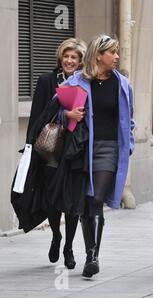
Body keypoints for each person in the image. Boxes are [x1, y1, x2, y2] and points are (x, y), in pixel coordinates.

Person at [60, 35, 135, 278]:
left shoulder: (122, 84)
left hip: (109, 148)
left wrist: (129, 144)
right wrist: (68, 115)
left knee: (96, 198)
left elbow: (129, 119)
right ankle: (89, 252)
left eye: (117, 52)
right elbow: (57, 109)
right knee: (85, 203)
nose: (117, 57)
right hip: (82, 149)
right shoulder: (78, 81)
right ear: (98, 55)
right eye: (112, 52)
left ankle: (92, 256)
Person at [26, 38, 87, 269]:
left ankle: (69, 247)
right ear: (60, 58)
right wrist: (30, 147)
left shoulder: (85, 83)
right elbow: (37, 115)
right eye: (66, 56)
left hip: (74, 150)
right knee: (52, 199)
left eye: (74, 57)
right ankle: (56, 236)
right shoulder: (46, 81)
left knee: (71, 200)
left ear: (80, 61)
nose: (69, 61)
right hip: (50, 149)